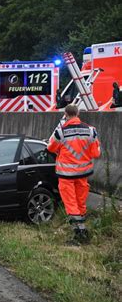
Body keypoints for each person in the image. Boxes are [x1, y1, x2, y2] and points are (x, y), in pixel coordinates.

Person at [47, 104, 101, 245]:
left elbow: (50, 147)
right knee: (80, 202)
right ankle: (82, 229)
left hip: (66, 175)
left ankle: (79, 233)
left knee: (71, 204)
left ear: (65, 114)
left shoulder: (61, 132)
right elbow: (96, 153)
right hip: (83, 173)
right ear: (78, 113)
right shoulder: (91, 131)